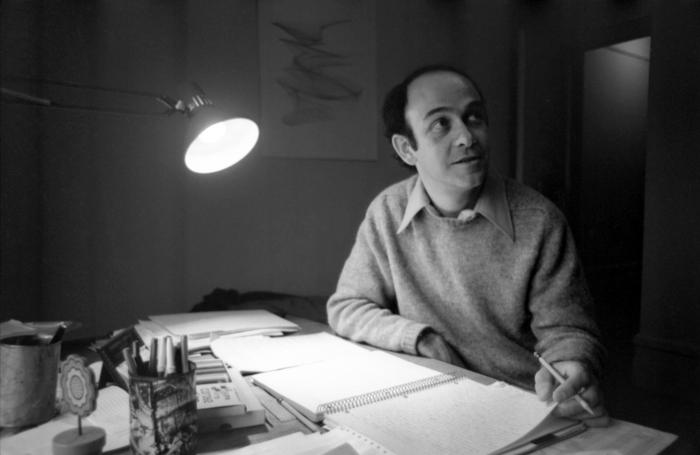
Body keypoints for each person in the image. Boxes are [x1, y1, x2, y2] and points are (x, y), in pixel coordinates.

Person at [326, 64, 609, 425]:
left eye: (474, 117)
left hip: (523, 407)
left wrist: (572, 362)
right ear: (407, 148)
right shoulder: (387, 212)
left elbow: (568, 330)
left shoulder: (540, 220)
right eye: (441, 123)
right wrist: (418, 338)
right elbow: (348, 306)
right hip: (431, 399)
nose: (467, 137)